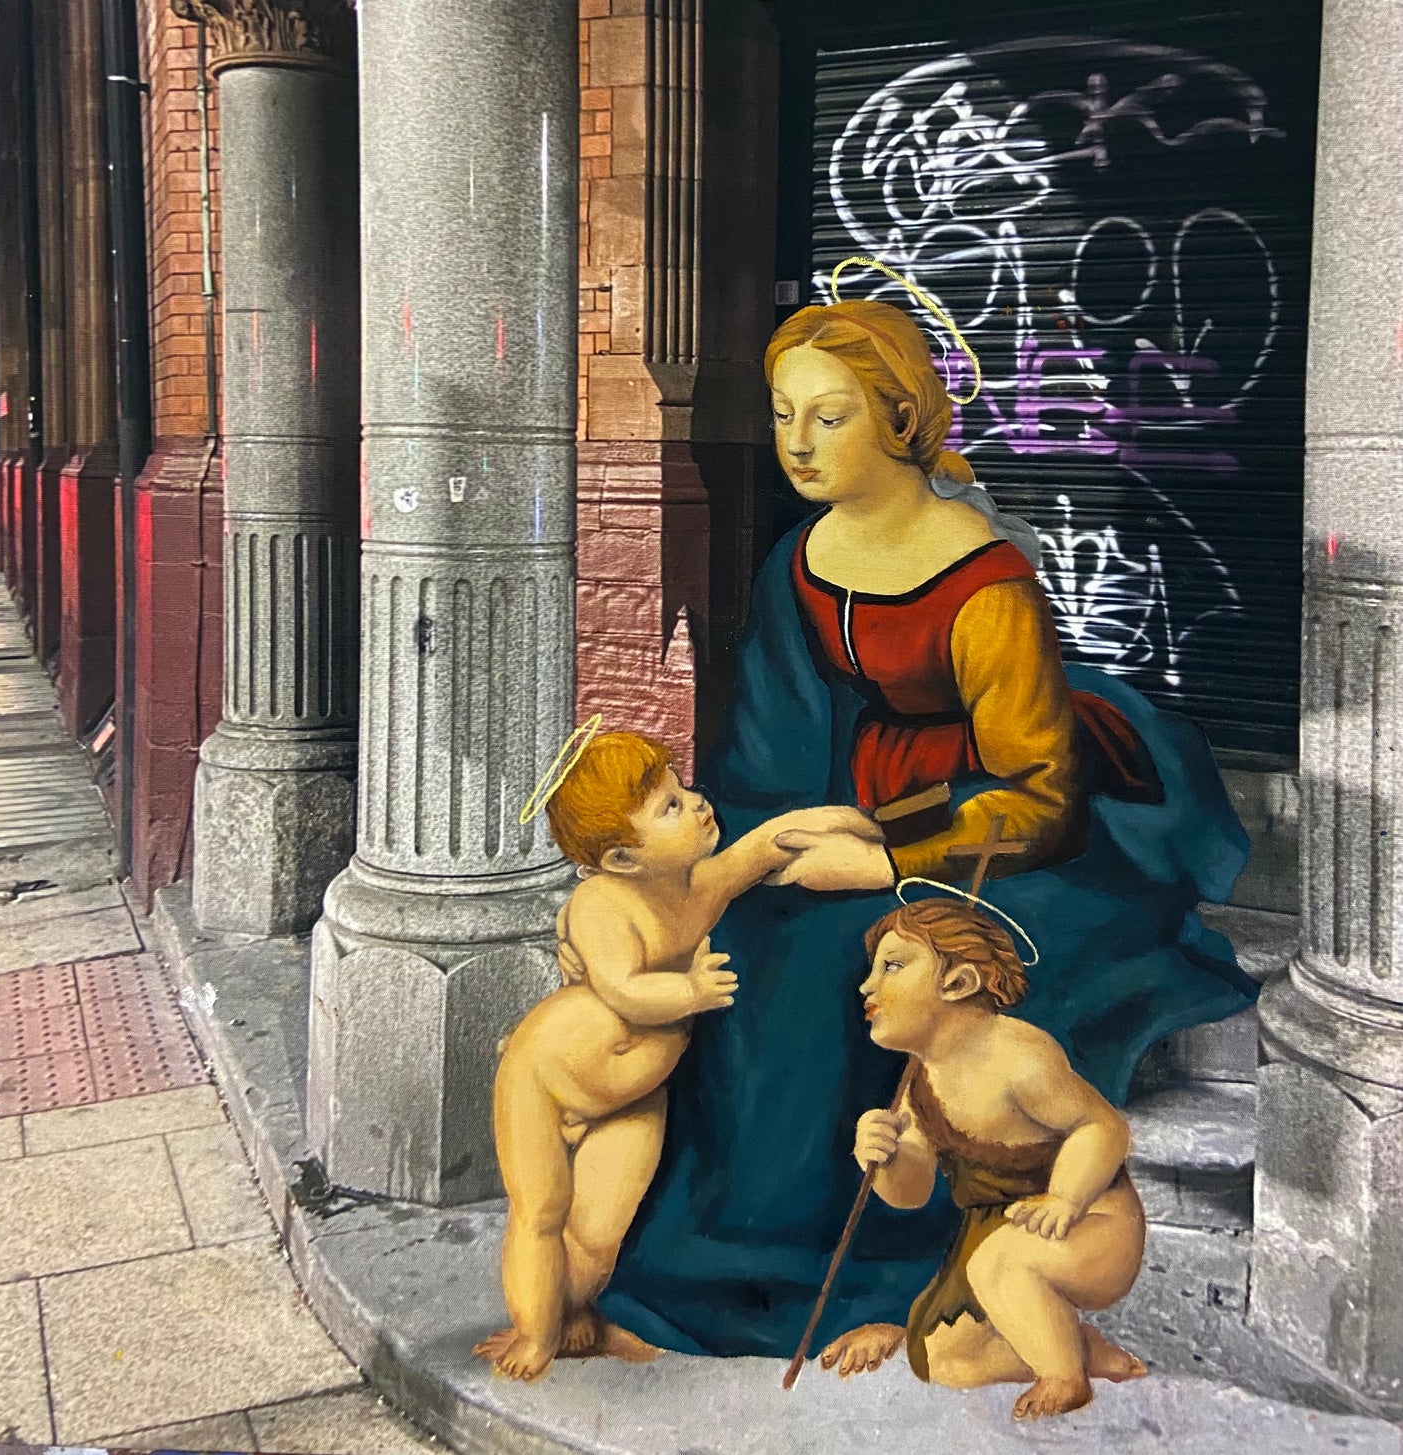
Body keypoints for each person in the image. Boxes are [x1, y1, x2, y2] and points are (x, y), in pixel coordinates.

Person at [598, 296, 1256, 1358]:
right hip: (862, 794)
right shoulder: (800, 558)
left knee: (845, 952)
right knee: (752, 928)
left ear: (899, 418)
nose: (797, 444)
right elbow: (768, 742)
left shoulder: (984, 582)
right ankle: (724, 1236)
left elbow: (1038, 795)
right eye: (782, 415)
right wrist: (767, 843)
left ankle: (843, 1260)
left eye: (829, 417)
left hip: (999, 814)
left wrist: (884, 857)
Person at [475, 728, 864, 1380]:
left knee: (599, 1230)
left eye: (683, 789)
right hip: (544, 1080)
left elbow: (768, 844)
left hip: (633, 1096)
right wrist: (688, 991)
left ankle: (571, 1311)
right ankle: (533, 1333)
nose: (698, 802)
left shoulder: (701, 886)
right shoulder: (603, 903)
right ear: (624, 858)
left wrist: (865, 828)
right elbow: (622, 989)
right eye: (671, 806)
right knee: (540, 1212)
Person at [834, 897, 1146, 1420]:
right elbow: (912, 1193)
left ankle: (1064, 1376)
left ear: (958, 983)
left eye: (892, 966)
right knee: (942, 1360)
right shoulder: (918, 1084)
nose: (867, 986)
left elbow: (1102, 1127)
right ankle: (1078, 1349)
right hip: (998, 1238)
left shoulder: (1019, 1057)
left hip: (1092, 1224)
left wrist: (1065, 1197)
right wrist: (884, 1157)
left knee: (1001, 1261)